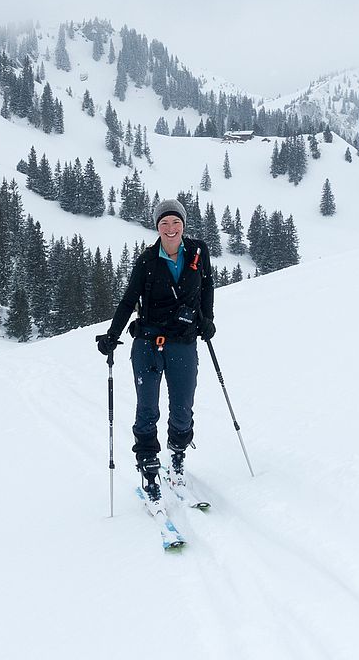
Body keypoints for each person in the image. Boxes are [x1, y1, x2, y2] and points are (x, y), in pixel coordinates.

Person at [96, 198, 215, 502]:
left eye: (176, 222)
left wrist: (208, 319)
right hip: (148, 344)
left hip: (184, 342)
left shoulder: (199, 252)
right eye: (164, 223)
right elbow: (127, 301)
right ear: (157, 227)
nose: (171, 228)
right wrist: (112, 335)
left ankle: (176, 456)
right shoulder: (147, 261)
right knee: (147, 409)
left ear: (183, 225)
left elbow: (207, 286)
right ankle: (149, 469)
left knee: (182, 409)